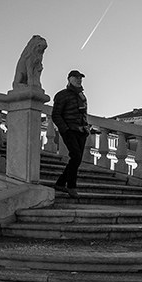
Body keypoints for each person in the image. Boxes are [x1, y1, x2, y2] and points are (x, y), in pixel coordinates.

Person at [52, 70, 90, 198]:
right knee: (76, 156)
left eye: (80, 78)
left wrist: (86, 128)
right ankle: (71, 186)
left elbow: (83, 114)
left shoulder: (82, 96)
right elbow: (56, 115)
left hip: (81, 131)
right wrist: (65, 129)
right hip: (69, 130)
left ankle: (60, 183)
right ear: (69, 79)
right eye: (76, 78)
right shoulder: (62, 95)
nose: (79, 80)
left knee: (76, 159)